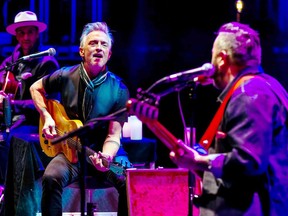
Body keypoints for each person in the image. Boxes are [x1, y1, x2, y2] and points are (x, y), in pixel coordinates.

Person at [170, 22, 288, 216]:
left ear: (222, 59)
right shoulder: (268, 86)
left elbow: (248, 161)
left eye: (213, 56)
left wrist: (201, 161)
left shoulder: (248, 93)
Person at [29, 22, 130, 216]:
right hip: (70, 152)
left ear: (109, 54)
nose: (99, 47)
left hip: (108, 155)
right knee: (50, 178)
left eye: (104, 44)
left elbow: (113, 135)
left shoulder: (119, 89)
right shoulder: (66, 75)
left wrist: (107, 157)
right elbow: (35, 88)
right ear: (82, 51)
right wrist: (47, 116)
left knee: (128, 180)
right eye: (93, 43)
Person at [0, 10, 59, 205]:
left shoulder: (46, 63)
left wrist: (12, 104)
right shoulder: (10, 63)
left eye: (30, 32)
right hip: (10, 121)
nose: (26, 37)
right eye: (21, 33)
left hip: (34, 123)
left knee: (9, 140)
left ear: (37, 33)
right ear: (16, 35)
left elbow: (49, 103)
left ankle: (12, 195)